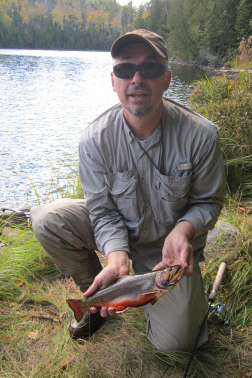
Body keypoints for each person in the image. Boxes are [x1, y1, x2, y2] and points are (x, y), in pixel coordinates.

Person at [31, 29, 226, 352]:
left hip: (167, 257)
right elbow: (102, 211)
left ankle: (163, 308)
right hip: (118, 237)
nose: (136, 78)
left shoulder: (201, 136)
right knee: (47, 219)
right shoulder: (94, 139)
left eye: (150, 68)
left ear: (166, 79)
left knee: (176, 344)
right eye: (125, 69)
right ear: (113, 80)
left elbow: (208, 201)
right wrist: (116, 255)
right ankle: (96, 299)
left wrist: (183, 231)